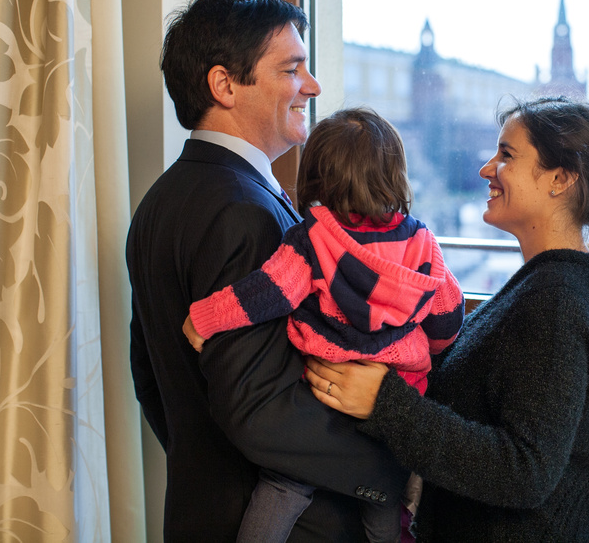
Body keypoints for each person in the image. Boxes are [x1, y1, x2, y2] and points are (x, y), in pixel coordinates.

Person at [305, 96, 589, 542]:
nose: (486, 169)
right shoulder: (550, 283)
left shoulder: (558, 302)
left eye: (507, 155)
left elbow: (525, 471)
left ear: (560, 179)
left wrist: (385, 403)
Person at [127, 0, 406, 543]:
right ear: (225, 86)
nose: (313, 85)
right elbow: (259, 409)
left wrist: (209, 472)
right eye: (290, 69)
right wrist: (389, 470)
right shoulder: (244, 213)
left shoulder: (160, 200)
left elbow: (150, 378)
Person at [182, 107, 465, 543]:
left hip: (321, 395)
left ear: (316, 175)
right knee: (384, 498)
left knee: (284, 485)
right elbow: (447, 317)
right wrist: (433, 349)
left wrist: (204, 318)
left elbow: (264, 295)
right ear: (395, 175)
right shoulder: (423, 243)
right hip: (395, 397)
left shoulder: (312, 240)